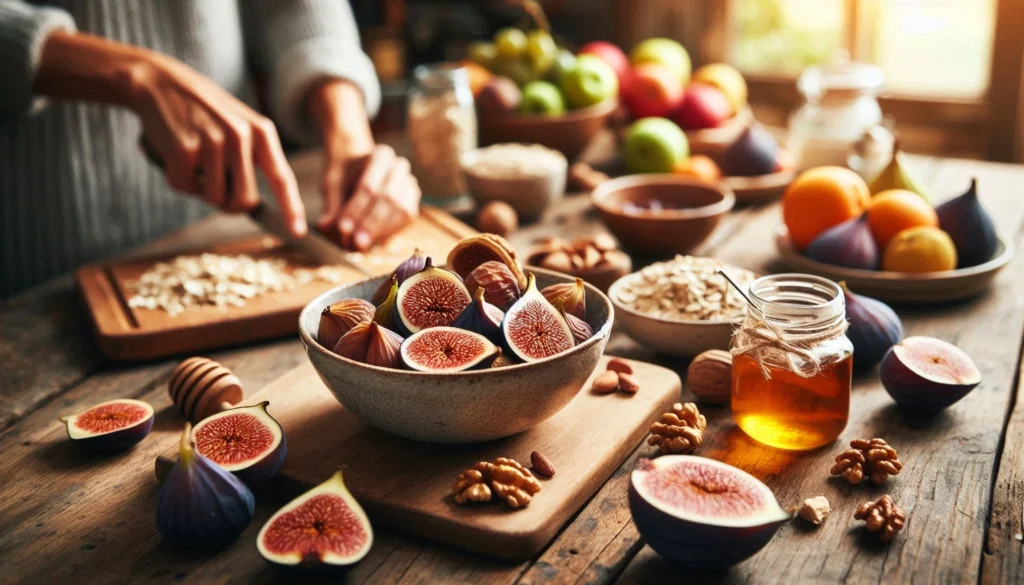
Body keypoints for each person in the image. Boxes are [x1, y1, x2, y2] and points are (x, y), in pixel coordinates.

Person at [0, 1, 420, 297]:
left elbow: (294, 6)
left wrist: (348, 131)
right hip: (36, 254)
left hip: (221, 229)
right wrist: (135, 73)